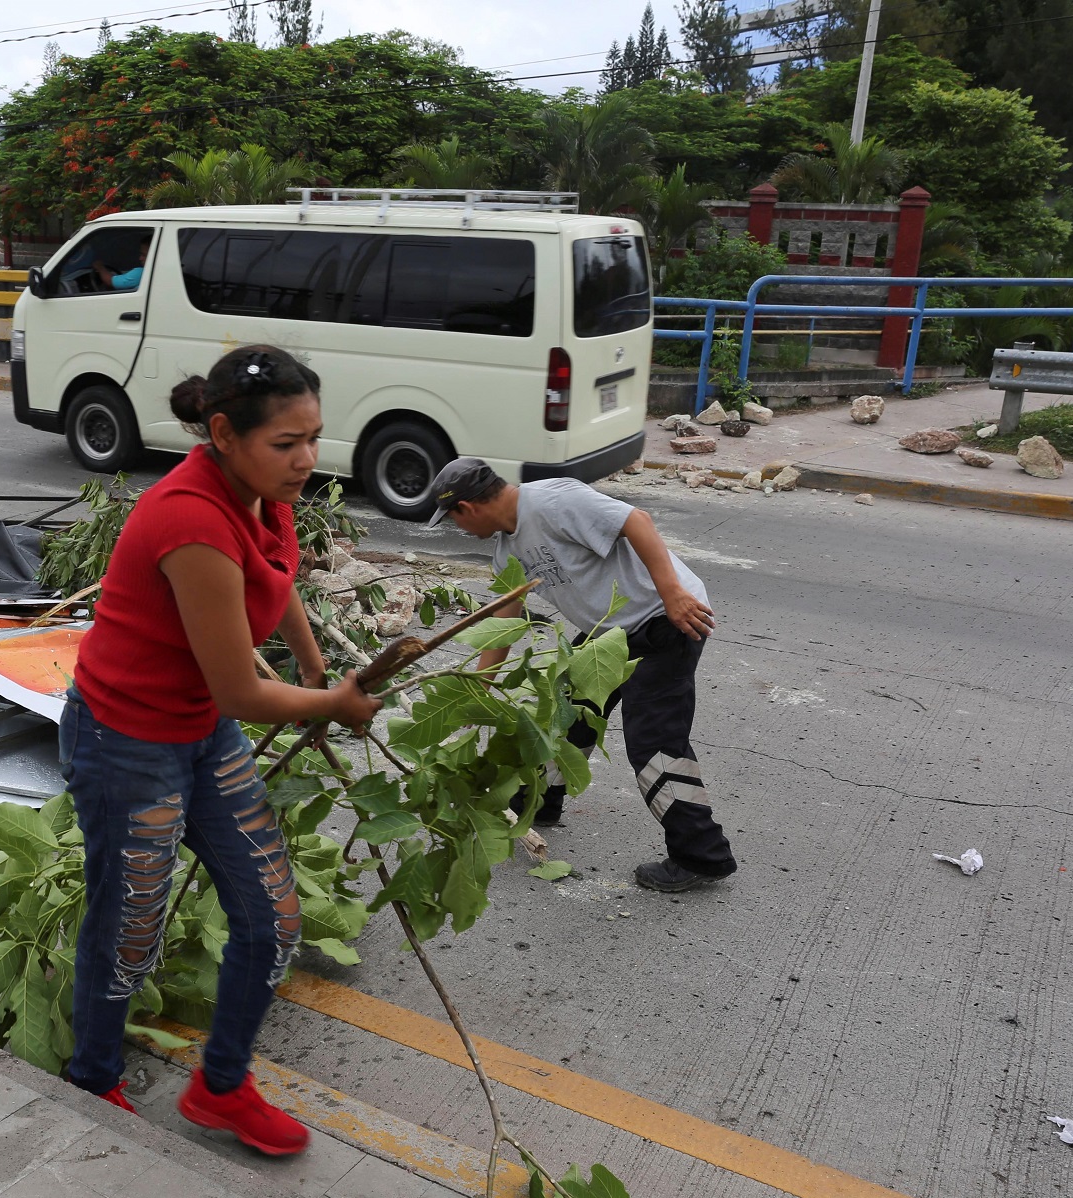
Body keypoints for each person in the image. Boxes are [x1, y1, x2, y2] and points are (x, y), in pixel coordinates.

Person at [63, 344, 381, 1154]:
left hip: (203, 731)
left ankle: (221, 1085)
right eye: (287, 443)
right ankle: (93, 1077)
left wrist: (313, 662)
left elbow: (275, 575)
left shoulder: (262, 493)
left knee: (272, 918)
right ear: (223, 433)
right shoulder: (191, 518)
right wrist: (333, 704)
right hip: (127, 739)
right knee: (131, 922)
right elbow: (242, 688)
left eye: (314, 436)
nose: (306, 459)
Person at [431, 457, 738, 893]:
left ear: (466, 507)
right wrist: (481, 687)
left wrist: (672, 593)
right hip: (610, 634)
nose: (457, 529)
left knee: (655, 742)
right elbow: (506, 616)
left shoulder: (553, 501)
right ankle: (540, 803)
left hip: (666, 618)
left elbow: (637, 520)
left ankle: (701, 855)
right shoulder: (506, 551)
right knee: (563, 712)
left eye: (453, 520)